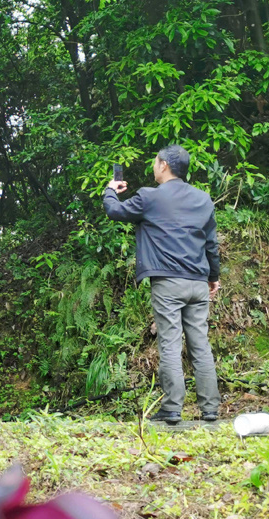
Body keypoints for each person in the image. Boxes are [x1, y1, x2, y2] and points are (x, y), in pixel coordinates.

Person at [103, 145, 221, 425]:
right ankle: (210, 409)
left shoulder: (149, 197)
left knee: (169, 344)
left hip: (168, 283)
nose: (154, 166)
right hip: (197, 283)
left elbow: (114, 211)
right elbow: (211, 244)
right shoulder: (203, 199)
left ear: (164, 165)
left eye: (156, 162)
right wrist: (213, 277)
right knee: (200, 346)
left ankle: (171, 409)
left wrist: (110, 189)